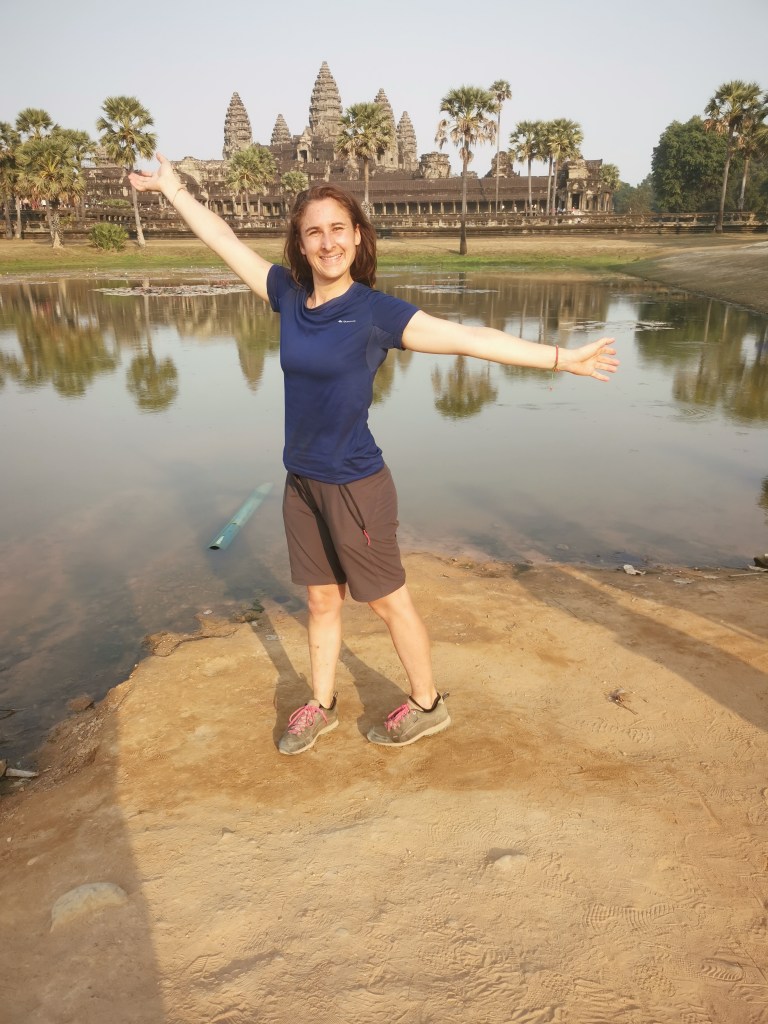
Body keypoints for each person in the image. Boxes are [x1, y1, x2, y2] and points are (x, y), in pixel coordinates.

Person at [129, 154, 619, 756]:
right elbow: (224, 240)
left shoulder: (374, 313)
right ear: (301, 244)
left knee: (388, 601)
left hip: (355, 485)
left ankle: (428, 703)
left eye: (339, 228)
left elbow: (469, 339)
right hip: (302, 482)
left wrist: (562, 359)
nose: (327, 242)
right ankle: (322, 704)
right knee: (320, 598)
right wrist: (172, 188)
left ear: (358, 237)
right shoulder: (288, 297)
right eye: (314, 232)